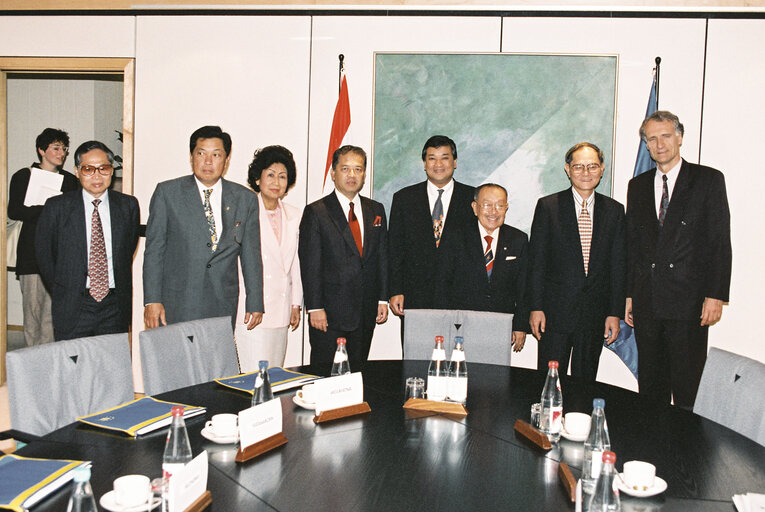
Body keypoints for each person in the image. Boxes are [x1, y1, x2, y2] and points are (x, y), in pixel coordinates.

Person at [625, 110, 731, 408]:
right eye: (652, 139)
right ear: (646, 144)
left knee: (687, 389)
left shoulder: (707, 180)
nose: (660, 145)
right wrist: (630, 294)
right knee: (651, 389)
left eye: (666, 136)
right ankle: (652, 451)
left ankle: (686, 453)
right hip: (648, 302)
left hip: (689, 303)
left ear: (680, 137)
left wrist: (715, 295)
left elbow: (719, 241)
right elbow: (634, 245)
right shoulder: (638, 185)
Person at [143, 125, 264, 331]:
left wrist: (255, 301)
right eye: (201, 154)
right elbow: (154, 251)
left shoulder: (245, 199)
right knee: (178, 361)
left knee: (217, 362)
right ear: (191, 157)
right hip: (178, 302)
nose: (208, 162)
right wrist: (152, 300)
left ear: (226, 161)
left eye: (216, 155)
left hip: (222, 301)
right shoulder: (168, 193)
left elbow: (251, 255)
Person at [527, 142, 626, 380]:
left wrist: (614, 312)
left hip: (594, 315)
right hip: (554, 314)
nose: (586, 172)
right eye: (579, 166)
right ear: (567, 169)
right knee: (549, 381)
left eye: (592, 166)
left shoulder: (614, 210)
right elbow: (537, 262)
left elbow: (618, 265)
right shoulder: (548, 207)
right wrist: (535, 307)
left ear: (602, 169)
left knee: (586, 382)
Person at [35, 141, 140, 341]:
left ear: (112, 171)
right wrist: (63, 290)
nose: (97, 176)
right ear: (76, 171)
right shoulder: (57, 207)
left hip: (114, 306)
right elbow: (44, 255)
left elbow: (126, 249)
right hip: (73, 304)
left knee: (111, 368)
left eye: (104, 168)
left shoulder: (128, 206)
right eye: (88, 169)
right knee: (73, 367)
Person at [298, 145, 388, 367]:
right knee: (326, 376)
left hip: (365, 311)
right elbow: (310, 264)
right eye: (345, 168)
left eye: (358, 169)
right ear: (333, 173)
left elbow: (382, 256)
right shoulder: (316, 212)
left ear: (364, 175)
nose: (352, 175)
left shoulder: (376, 210)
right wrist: (315, 307)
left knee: (357, 375)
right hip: (329, 314)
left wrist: (382, 298)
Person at [387, 135, 475, 335]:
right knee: (416, 360)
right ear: (424, 164)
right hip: (415, 296)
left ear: (455, 162)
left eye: (444, 157)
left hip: (460, 298)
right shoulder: (404, 199)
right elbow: (395, 249)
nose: (438, 164)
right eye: (432, 158)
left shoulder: (473, 198)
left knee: (457, 360)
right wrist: (395, 290)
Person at [8, 128, 79, 345]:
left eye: (64, 149)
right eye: (56, 148)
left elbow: (73, 213)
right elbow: (15, 210)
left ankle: (49, 363)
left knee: (52, 314)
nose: (62, 153)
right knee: (32, 313)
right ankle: (32, 362)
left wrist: (43, 209)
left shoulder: (69, 180)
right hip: (30, 252)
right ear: (41, 150)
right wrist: (50, 209)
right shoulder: (23, 176)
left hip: (59, 253)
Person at [439, 183, 529, 352]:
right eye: (487, 205)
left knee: (496, 377)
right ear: (475, 208)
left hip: (501, 324)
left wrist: (520, 325)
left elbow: (524, 288)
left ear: (506, 208)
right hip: (460, 324)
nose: (493, 211)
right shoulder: (455, 237)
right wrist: (445, 323)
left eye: (499, 205)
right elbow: (443, 283)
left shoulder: (518, 239)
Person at [235, 145, 302, 371]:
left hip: (282, 308)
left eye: (282, 176)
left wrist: (296, 303)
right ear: (257, 179)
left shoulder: (294, 214)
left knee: (275, 376)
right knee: (254, 375)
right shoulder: (244, 210)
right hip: (253, 309)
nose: (276, 182)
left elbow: (294, 263)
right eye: (270, 175)